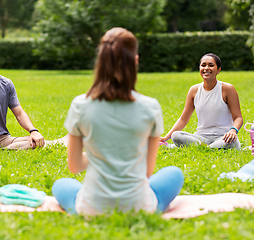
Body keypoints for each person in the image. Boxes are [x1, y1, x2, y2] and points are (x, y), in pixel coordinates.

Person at [52, 27, 184, 215]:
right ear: (135, 61)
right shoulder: (150, 107)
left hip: (92, 206)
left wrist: (102, 154)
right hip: (139, 207)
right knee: (174, 174)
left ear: (101, 61)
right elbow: (147, 171)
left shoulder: (80, 104)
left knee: (61, 185)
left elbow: (74, 166)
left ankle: (83, 207)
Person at [160, 53, 243, 149]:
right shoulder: (194, 90)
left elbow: (238, 117)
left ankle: (202, 148)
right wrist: (166, 137)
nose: (206, 68)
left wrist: (233, 131)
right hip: (201, 137)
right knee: (176, 135)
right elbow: (183, 119)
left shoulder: (227, 89)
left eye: (211, 65)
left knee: (233, 142)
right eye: (203, 65)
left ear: (218, 70)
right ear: (199, 69)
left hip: (223, 137)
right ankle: (209, 148)